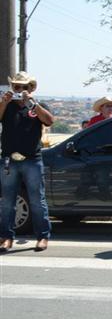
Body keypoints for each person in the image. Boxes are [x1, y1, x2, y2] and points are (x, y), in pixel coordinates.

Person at [0, 72, 55, 252]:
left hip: (32, 159)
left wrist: (33, 104)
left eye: (24, 87)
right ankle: (6, 237)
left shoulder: (37, 106)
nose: (20, 90)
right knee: (7, 201)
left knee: (37, 200)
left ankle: (42, 236)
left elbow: (49, 121)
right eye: (17, 87)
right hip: (9, 159)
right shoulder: (7, 105)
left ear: (31, 88)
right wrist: (4, 102)